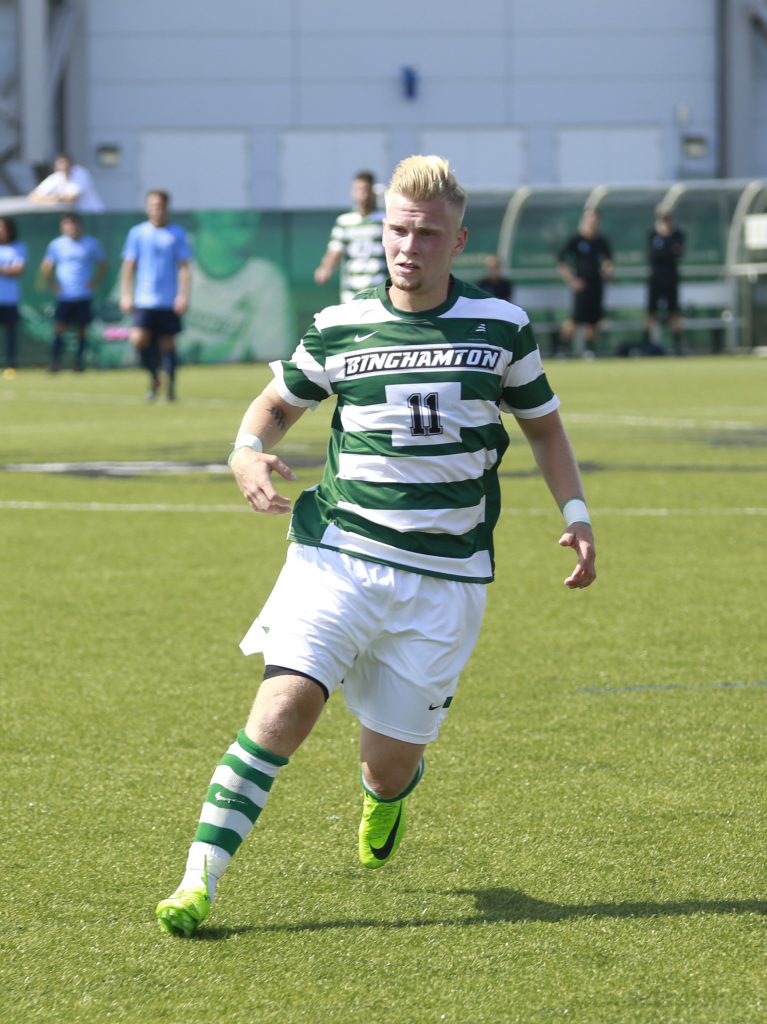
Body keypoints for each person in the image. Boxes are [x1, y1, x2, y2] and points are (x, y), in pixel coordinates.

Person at [155, 155, 597, 938]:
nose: (407, 247)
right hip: (336, 555)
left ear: (456, 241)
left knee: (386, 767)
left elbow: (544, 427)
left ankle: (386, 796)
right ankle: (197, 882)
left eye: (426, 234)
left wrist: (575, 511)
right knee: (282, 709)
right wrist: (244, 451)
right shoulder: (338, 326)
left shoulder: (500, 326)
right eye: (397, 230)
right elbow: (274, 406)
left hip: (445, 580)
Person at [119, 189, 192, 401]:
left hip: (168, 300)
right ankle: (154, 377)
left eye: (159, 206)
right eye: (152, 206)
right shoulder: (137, 233)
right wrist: (126, 294)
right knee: (138, 339)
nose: (156, 210)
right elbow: (129, 265)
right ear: (147, 208)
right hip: (144, 299)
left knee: (168, 344)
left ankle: (171, 387)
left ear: (166, 208)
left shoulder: (176, 234)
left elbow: (184, 267)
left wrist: (183, 295)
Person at [39, 214, 107, 373]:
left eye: (74, 224)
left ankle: (78, 363)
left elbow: (103, 264)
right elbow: (46, 266)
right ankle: (55, 362)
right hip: (64, 295)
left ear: (80, 226)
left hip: (83, 294)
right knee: (59, 328)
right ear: (62, 227)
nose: (71, 228)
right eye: (67, 225)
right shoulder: (56, 245)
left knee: (82, 329)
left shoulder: (91, 243)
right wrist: (53, 284)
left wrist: (95, 281)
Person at [313, 169, 386, 302]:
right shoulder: (344, 222)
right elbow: (335, 250)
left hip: (379, 292)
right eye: (358, 190)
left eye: (366, 190)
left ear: (372, 192)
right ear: (352, 192)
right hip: (351, 293)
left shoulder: (384, 220)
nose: (362, 195)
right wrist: (326, 268)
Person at [555, 209, 613, 358]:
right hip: (582, 286)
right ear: (584, 220)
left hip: (596, 285)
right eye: (589, 219)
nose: (592, 222)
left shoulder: (601, 241)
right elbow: (561, 261)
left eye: (595, 220)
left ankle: (589, 349)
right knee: (574, 319)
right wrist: (572, 279)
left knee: (594, 321)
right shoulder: (576, 239)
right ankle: (562, 349)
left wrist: (607, 272)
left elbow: (608, 261)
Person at [644, 207, 685, 355]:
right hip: (656, 279)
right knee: (651, 313)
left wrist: (666, 251)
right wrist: (669, 250)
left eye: (667, 217)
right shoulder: (652, 235)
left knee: (674, 312)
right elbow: (653, 254)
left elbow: (678, 252)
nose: (665, 221)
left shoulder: (677, 234)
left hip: (671, 279)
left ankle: (677, 346)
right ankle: (646, 345)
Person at [28, 152, 105, 212]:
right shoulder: (56, 177)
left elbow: (72, 198)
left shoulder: (80, 172)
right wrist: (53, 198)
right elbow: (33, 196)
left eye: (65, 164)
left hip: (93, 213)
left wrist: (53, 198)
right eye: (60, 164)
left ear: (71, 165)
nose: (63, 167)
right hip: (76, 218)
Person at [0, 217, 27, 379]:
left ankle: (10, 365)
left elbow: (18, 270)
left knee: (10, 334)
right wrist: (6, 269)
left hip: (10, 300)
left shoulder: (18, 247)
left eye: (3, 227)